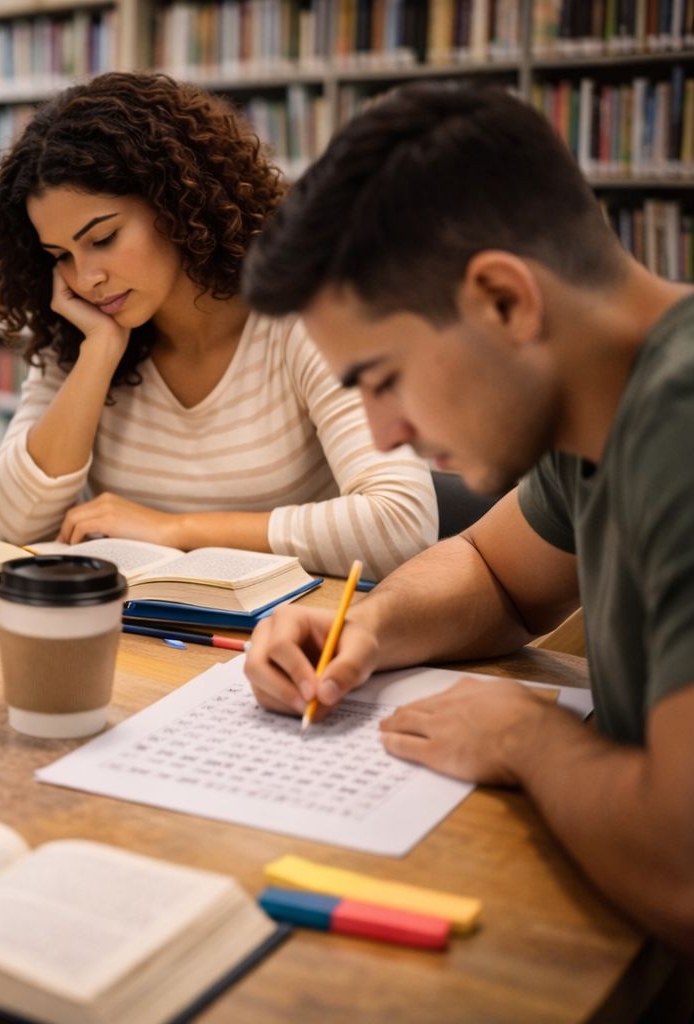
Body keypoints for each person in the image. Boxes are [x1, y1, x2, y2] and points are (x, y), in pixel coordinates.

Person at [239, 82, 694, 956]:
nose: (383, 431)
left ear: (504, 301)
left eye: (383, 377)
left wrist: (529, 738)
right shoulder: (598, 406)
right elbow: (493, 577)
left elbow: (681, 866)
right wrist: (364, 630)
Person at [0, 72, 437, 579]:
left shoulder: (306, 315)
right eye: (60, 254)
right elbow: (16, 520)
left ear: (176, 204)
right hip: (141, 634)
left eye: (102, 238)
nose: (87, 278)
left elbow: (401, 525)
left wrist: (178, 530)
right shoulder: (81, 334)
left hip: (280, 638)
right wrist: (99, 355)